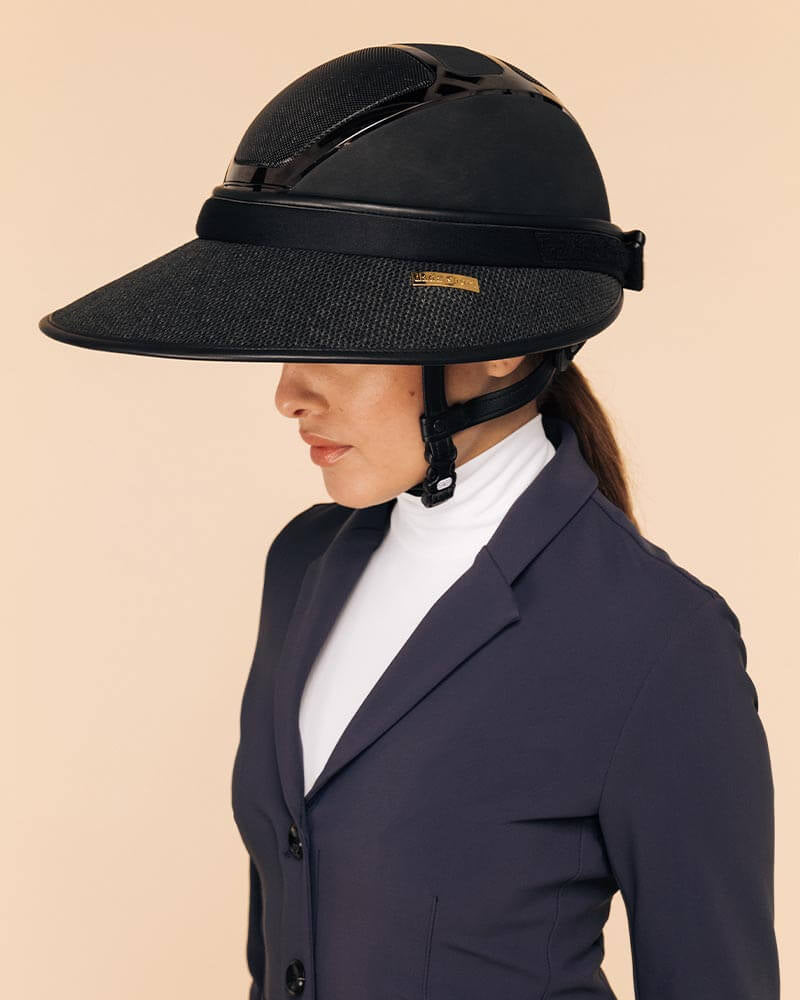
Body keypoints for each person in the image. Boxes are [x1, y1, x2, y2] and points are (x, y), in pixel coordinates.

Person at [39, 42, 779, 1000]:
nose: (289, 395)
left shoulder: (657, 638)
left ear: (500, 345)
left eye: (335, 340)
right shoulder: (305, 561)